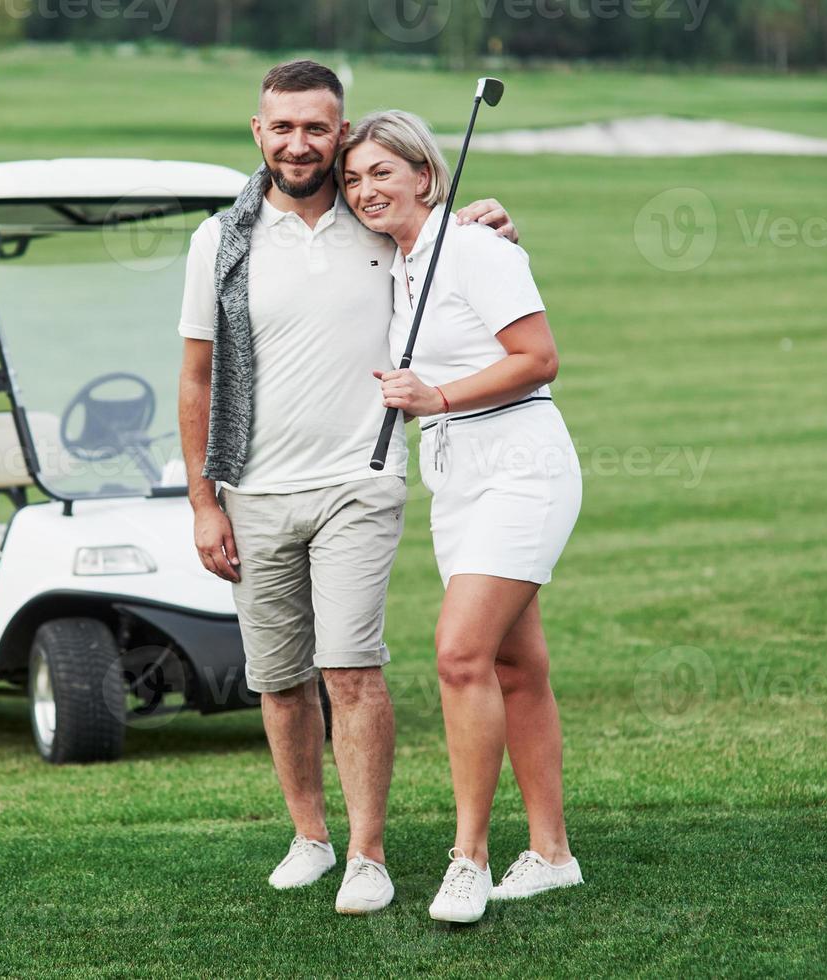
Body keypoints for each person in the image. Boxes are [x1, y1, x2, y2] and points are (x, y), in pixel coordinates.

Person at [177, 61, 517, 916]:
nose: (300, 143)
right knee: (277, 677)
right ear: (258, 132)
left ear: (340, 130)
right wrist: (203, 501)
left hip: (358, 483)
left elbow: (445, 246)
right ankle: (311, 837)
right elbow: (196, 380)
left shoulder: (376, 216)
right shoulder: (218, 242)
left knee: (349, 668)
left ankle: (368, 853)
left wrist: (482, 221)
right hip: (251, 489)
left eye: (317, 128)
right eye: (282, 127)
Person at [341, 109, 583, 924]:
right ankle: (552, 854)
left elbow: (538, 357)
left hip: (520, 464)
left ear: (424, 174)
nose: (366, 190)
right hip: (456, 474)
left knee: (458, 654)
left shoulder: (475, 247)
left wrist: (436, 395)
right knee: (517, 666)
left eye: (381, 172)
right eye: (353, 179)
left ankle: (468, 857)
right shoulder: (401, 261)